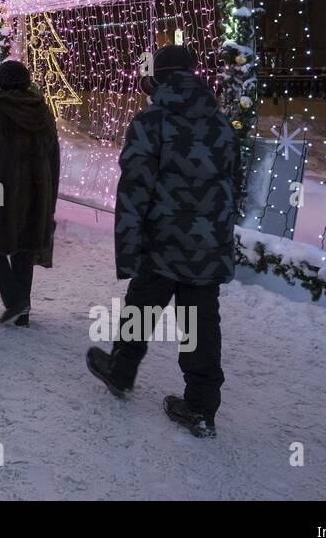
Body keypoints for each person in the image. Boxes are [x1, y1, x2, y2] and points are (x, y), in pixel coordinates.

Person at [85, 45, 237, 439]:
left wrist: (129, 245)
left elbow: (135, 189)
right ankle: (201, 408)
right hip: (209, 241)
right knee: (201, 319)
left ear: (160, 76)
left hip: (163, 240)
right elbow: (233, 183)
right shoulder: (220, 122)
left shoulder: (152, 121)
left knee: (143, 305)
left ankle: (120, 371)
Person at [0, 60, 60, 326]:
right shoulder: (43, 111)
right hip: (37, 189)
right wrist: (50, 194)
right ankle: (23, 313)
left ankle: (14, 299)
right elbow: (54, 156)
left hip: (0, 189)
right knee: (24, 248)